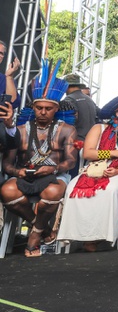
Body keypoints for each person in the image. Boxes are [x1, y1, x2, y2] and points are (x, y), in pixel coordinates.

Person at [0, 61, 76, 257]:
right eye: (39, 108)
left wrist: (52, 169)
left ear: (55, 109)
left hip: (54, 175)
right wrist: (19, 172)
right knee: (7, 191)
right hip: (25, 175)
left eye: (48, 109)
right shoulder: (20, 131)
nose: (43, 112)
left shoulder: (67, 130)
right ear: (33, 108)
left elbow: (70, 161)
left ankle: (34, 237)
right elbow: (7, 163)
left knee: (51, 192)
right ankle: (41, 227)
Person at [58, 85, 118, 251]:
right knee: (72, 189)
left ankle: (98, 237)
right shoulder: (99, 128)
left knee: (110, 190)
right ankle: (78, 235)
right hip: (94, 168)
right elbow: (88, 154)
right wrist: (115, 153)